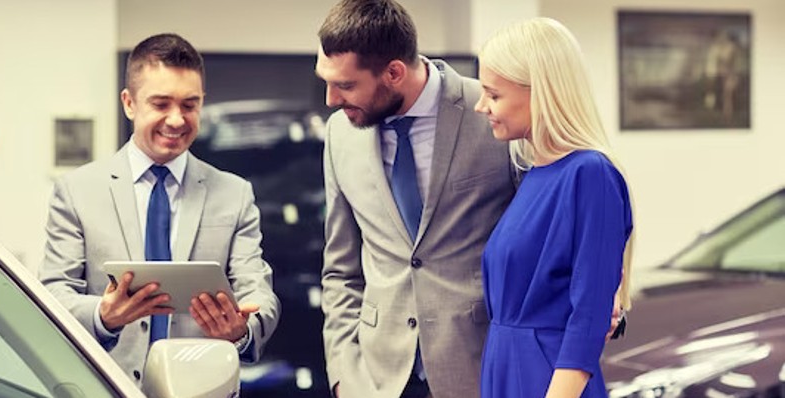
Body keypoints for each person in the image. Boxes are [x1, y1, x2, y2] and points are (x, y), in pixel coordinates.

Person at [38, 33, 280, 383]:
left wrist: (242, 329)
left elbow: (259, 293)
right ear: (129, 103)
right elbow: (54, 295)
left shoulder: (234, 194)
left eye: (189, 104)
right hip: (104, 387)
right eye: (161, 104)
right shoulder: (76, 192)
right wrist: (104, 315)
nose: (177, 120)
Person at [315, 1, 519, 396]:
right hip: (378, 380)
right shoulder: (340, 135)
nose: (331, 100)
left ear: (393, 72)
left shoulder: (491, 110)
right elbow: (339, 270)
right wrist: (343, 375)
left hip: (479, 369)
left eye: (345, 85)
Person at [474, 18, 634, 398]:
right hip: (506, 367)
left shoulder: (589, 174)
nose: (481, 107)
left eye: (493, 95)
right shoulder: (534, 175)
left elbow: (589, 316)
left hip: (548, 379)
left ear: (540, 93)